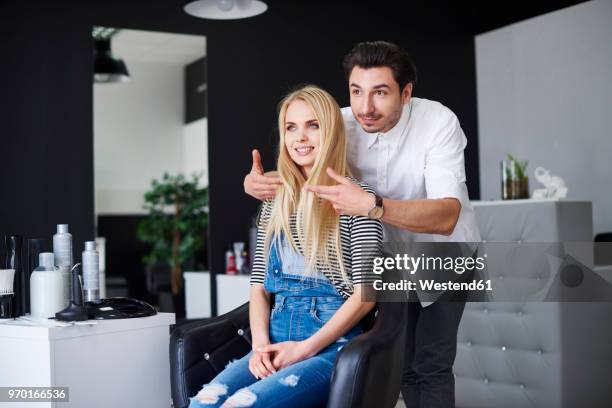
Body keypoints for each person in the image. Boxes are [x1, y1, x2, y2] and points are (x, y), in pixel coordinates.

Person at [244, 41, 481, 408]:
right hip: (381, 261)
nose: (365, 107)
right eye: (357, 91)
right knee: (393, 367)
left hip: (441, 255)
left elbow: (447, 216)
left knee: (429, 366)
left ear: (406, 93)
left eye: (380, 93)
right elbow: (302, 167)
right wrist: (255, 183)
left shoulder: (438, 123)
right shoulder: (340, 121)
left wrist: (371, 206)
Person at [189, 85, 383, 408]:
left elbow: (366, 294)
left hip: (329, 346)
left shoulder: (357, 197)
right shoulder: (275, 201)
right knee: (203, 404)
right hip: (273, 341)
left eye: (313, 125)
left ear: (331, 131)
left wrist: (304, 349)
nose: (300, 137)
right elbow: (259, 289)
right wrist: (261, 347)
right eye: (291, 127)